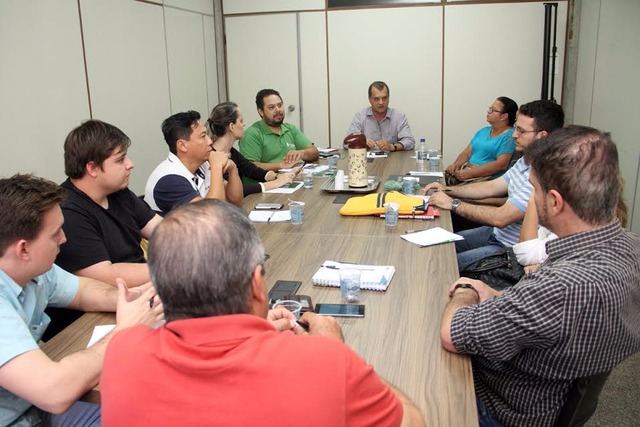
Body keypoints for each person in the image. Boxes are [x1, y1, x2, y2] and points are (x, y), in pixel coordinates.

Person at [100, 199, 425, 427]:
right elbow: (412, 422)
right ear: (257, 283)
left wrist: (257, 333)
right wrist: (337, 350)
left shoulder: (123, 352)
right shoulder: (325, 361)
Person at [440, 126, 640, 426]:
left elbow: (454, 333)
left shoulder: (560, 286)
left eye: (534, 189)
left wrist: (467, 290)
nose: (530, 198)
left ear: (556, 202)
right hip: (555, 398)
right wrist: (498, 295)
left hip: (504, 408)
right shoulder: (631, 247)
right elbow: (551, 315)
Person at [0, 174, 163, 427]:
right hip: (25, 413)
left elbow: (82, 291)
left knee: (147, 409)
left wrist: (128, 299)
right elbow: (54, 391)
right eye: (55, 234)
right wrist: (125, 331)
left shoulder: (37, 270)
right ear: (23, 249)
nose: (64, 239)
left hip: (34, 406)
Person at [424, 100, 565, 271]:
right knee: (438, 247)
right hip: (494, 234)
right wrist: (448, 190)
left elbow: (501, 218)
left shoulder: (542, 175)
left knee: (442, 265)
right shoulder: (526, 160)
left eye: (521, 131)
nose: (514, 135)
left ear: (542, 136)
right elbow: (492, 187)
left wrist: (452, 203)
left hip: (507, 249)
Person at [56, 120, 162, 287]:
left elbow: (162, 230)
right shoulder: (67, 212)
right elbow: (106, 275)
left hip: (145, 286)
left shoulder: (118, 191)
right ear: (92, 168)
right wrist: (172, 270)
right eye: (120, 160)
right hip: (105, 303)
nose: (130, 164)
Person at [145, 110, 243, 215]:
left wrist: (232, 169)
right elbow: (211, 215)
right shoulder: (168, 179)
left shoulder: (203, 164)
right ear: (182, 145)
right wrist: (217, 167)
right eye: (203, 136)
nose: (210, 141)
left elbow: (236, 201)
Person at [206, 102, 296, 196]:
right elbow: (233, 192)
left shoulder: (231, 151)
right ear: (231, 126)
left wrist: (278, 176)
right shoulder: (212, 158)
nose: (244, 124)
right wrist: (276, 183)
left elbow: (252, 170)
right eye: (241, 121)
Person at [239, 88, 319, 174]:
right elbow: (249, 166)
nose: (278, 110)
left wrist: (302, 153)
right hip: (267, 184)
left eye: (280, 105)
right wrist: (281, 165)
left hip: (292, 179)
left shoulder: (290, 128)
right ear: (261, 112)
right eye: (271, 107)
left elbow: (314, 152)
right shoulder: (252, 133)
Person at [445, 97, 518, 185]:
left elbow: (501, 164)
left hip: (485, 180)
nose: (488, 112)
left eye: (493, 110)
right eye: (490, 108)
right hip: (468, 173)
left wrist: (472, 173)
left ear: (504, 116)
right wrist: (455, 165)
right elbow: (466, 153)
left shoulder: (510, 135)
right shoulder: (483, 131)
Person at [346, 81, 415, 152]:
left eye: (384, 98)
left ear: (389, 98)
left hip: (392, 160)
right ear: (369, 100)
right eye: (376, 99)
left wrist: (392, 146)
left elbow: (410, 142)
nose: (381, 102)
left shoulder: (399, 117)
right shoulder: (360, 116)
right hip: (367, 161)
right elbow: (346, 143)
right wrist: (361, 141)